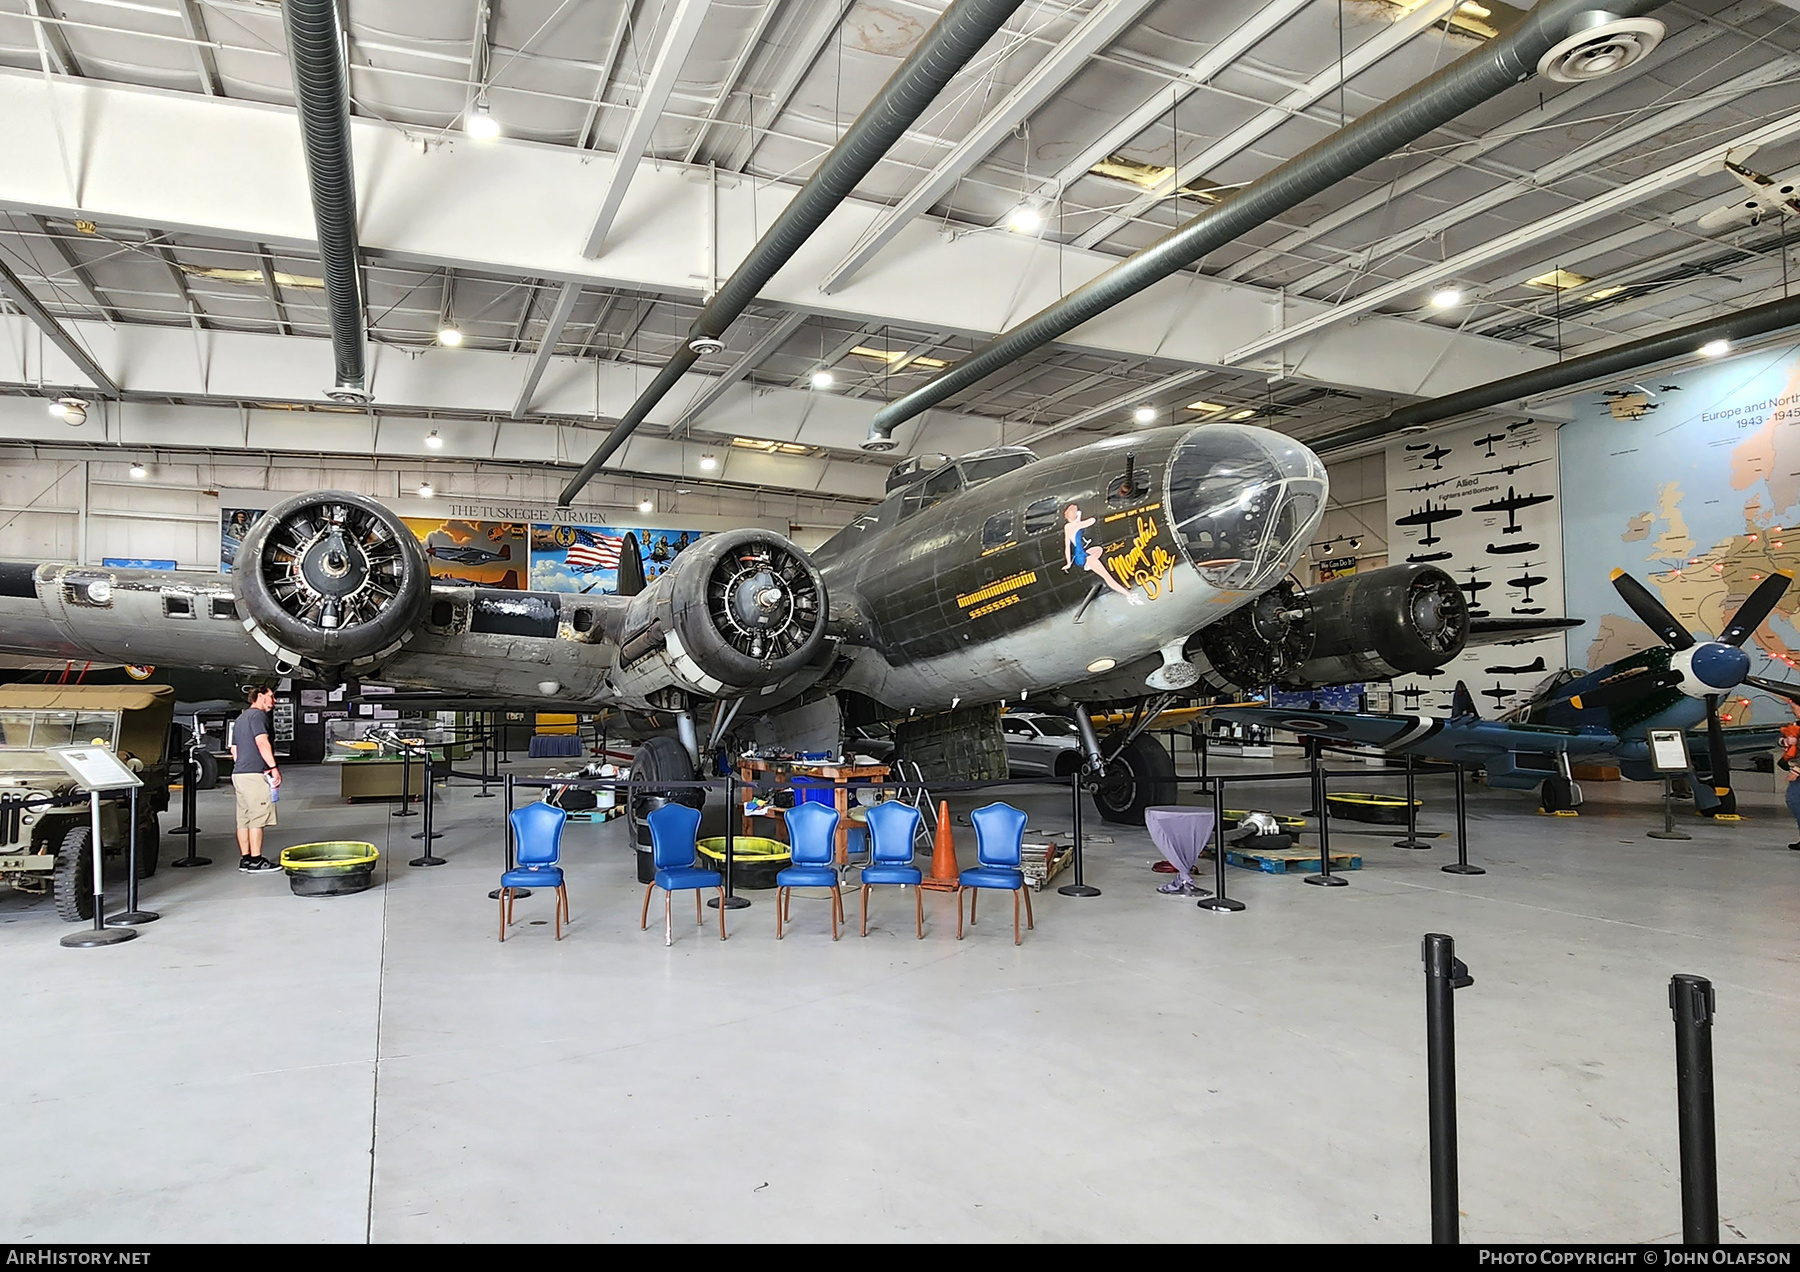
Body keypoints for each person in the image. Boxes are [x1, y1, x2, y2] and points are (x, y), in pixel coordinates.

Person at [230, 685, 283, 872]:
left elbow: (234, 750)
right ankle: (256, 860)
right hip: (254, 775)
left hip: (239, 774)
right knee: (258, 818)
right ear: (260, 696)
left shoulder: (241, 718)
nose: (274, 701)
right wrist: (273, 767)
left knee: (243, 819)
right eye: (271, 696)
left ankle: (245, 859)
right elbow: (262, 741)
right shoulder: (259, 716)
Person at [1062, 503, 1143, 604]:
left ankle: (1090, 564)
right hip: (1084, 558)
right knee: (1107, 576)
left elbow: (1067, 547)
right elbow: (1092, 521)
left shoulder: (1067, 527)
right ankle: (1129, 596)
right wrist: (1079, 515)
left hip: (1079, 555)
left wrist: (1069, 563)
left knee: (1099, 549)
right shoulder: (1076, 526)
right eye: (1075, 511)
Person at [1781, 723, 1800, 851]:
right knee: (1793, 800)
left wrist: (1797, 770)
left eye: (1793, 705)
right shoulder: (1795, 724)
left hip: (1798, 770)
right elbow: (1779, 738)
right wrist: (1785, 741)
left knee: (1794, 799)